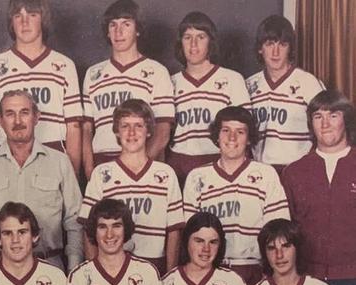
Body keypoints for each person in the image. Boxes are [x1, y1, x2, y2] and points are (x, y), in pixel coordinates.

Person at [0, 89, 82, 280]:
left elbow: (75, 220)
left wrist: (74, 270)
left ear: (36, 117)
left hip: (49, 268)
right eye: (10, 114)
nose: (18, 121)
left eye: (24, 113)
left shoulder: (60, 162)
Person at [281, 90, 356, 285]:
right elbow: (285, 233)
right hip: (308, 281)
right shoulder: (294, 172)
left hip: (353, 281)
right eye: (318, 116)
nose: (325, 124)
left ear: (345, 120)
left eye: (333, 115)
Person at [183, 106, 289, 285]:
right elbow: (191, 234)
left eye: (240, 132)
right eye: (226, 131)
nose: (232, 138)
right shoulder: (197, 176)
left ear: (249, 139)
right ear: (217, 135)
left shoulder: (266, 174)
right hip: (211, 269)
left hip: (253, 270)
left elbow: (277, 230)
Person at [0, 0, 82, 173]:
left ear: (43, 19)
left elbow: (74, 127)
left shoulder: (63, 65)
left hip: (52, 157)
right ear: (11, 22)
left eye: (32, 15)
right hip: (6, 158)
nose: (24, 22)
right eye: (18, 16)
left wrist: (73, 175)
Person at [80, 99, 184, 276]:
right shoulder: (102, 174)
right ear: (116, 131)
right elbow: (87, 228)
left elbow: (174, 231)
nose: (131, 133)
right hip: (112, 265)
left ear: (149, 131)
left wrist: (170, 275)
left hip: (154, 264)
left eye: (138, 126)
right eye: (125, 126)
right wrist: (94, 271)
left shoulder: (166, 174)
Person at [82, 0, 174, 179]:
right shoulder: (93, 73)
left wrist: (140, 165)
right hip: (103, 161)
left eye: (126, 24)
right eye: (113, 25)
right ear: (107, 31)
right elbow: (86, 129)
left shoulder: (157, 71)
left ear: (137, 29)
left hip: (143, 162)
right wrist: (88, 168)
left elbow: (163, 130)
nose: (119, 31)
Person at [168, 11, 251, 187]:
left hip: (218, 161)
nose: (193, 44)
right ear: (180, 42)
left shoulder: (232, 79)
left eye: (201, 37)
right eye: (187, 37)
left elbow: (245, 129)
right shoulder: (170, 82)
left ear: (210, 42)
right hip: (179, 164)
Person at [246, 15, 324, 173]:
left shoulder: (309, 83)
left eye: (282, 44)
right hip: (260, 172)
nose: (275, 52)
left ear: (290, 48)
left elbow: (325, 131)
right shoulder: (249, 85)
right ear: (260, 48)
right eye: (269, 44)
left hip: (299, 171)